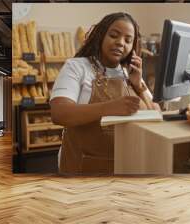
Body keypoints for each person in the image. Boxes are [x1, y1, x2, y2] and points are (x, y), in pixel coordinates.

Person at [50, 12, 160, 174]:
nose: (120, 43)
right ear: (101, 35)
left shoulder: (130, 73)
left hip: (125, 167)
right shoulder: (76, 67)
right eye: (114, 35)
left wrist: (139, 85)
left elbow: (156, 115)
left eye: (128, 40)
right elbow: (59, 113)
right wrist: (109, 108)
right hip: (84, 168)